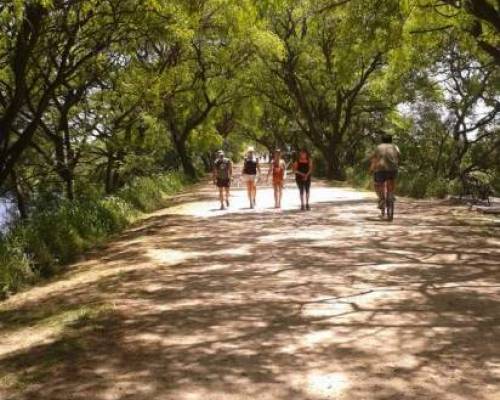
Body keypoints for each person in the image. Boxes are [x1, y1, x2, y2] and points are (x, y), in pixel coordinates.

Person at [370, 134, 400, 215]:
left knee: (377, 184)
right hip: (393, 169)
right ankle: (391, 194)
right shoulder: (395, 147)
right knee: (392, 180)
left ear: (382, 140)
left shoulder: (378, 147)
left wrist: (371, 169)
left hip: (380, 169)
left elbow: (374, 159)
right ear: (391, 140)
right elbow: (398, 156)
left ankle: (382, 199)